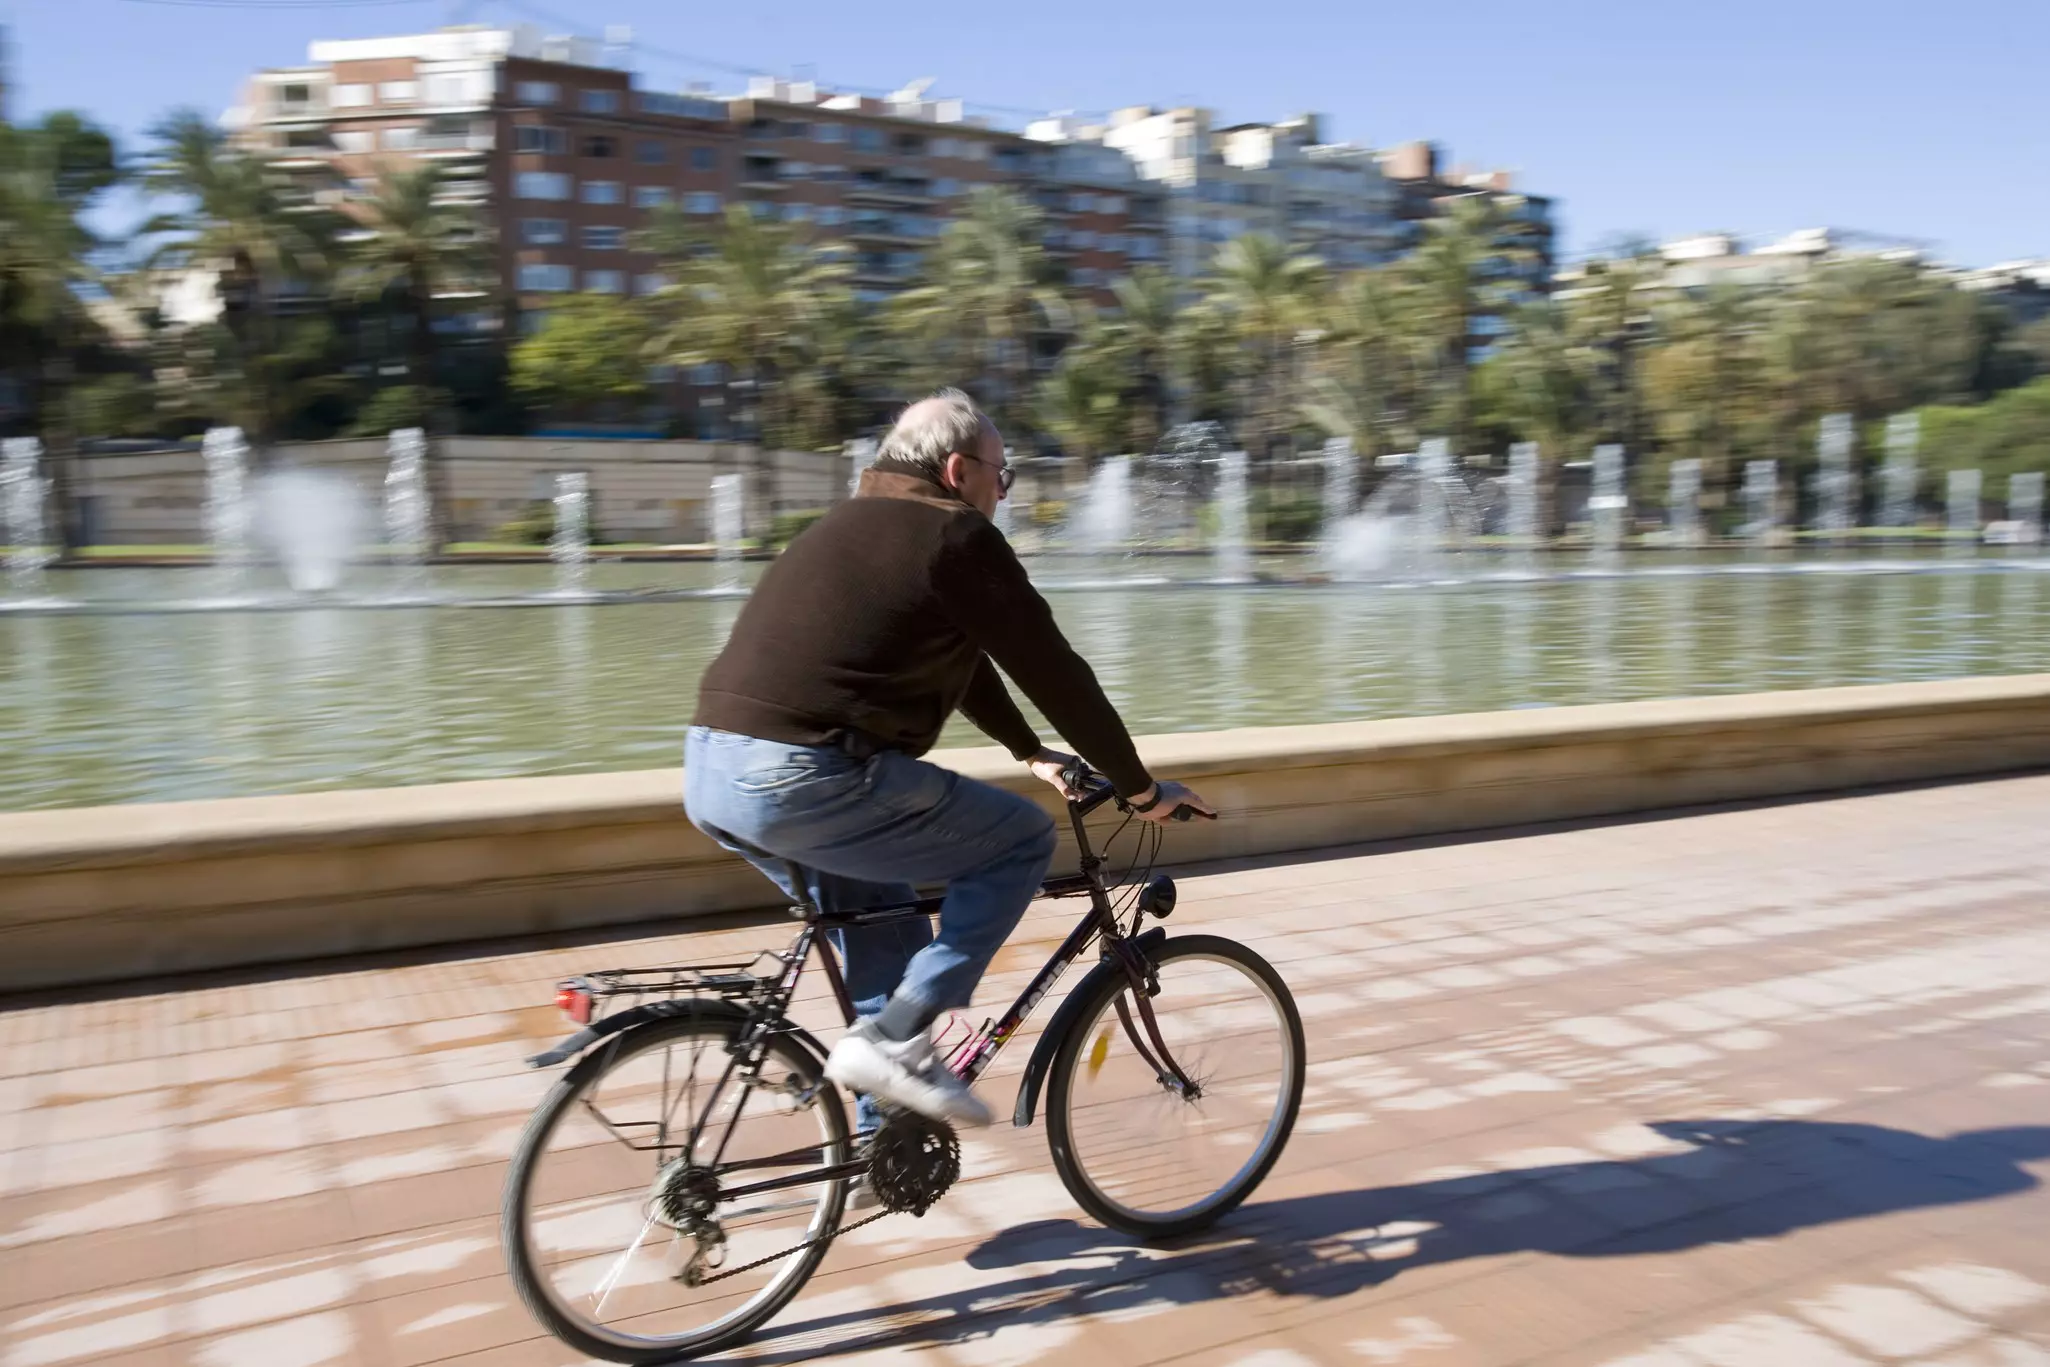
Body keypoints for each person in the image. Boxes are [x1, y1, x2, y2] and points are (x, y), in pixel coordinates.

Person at [684, 388, 1212, 1129]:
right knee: (1020, 840)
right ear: (960, 469)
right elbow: (1053, 670)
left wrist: (1030, 750)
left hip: (712, 769)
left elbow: (965, 660)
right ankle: (895, 1043)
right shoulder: (952, 533)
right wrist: (1141, 787)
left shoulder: (846, 523)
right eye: (1004, 475)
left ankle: (881, 1140)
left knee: (886, 919)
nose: (1005, 491)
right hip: (805, 775)